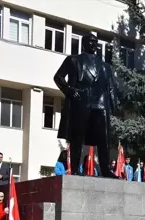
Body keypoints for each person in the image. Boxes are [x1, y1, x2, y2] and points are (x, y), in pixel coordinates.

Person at [54, 33, 118, 178]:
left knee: (104, 138)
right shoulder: (73, 60)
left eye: (96, 42)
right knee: (77, 137)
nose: (94, 44)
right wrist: (69, 91)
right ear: (84, 43)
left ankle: (106, 170)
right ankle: (75, 169)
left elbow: (111, 87)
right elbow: (58, 77)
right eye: (91, 41)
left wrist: (114, 106)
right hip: (81, 102)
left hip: (101, 104)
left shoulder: (105, 66)